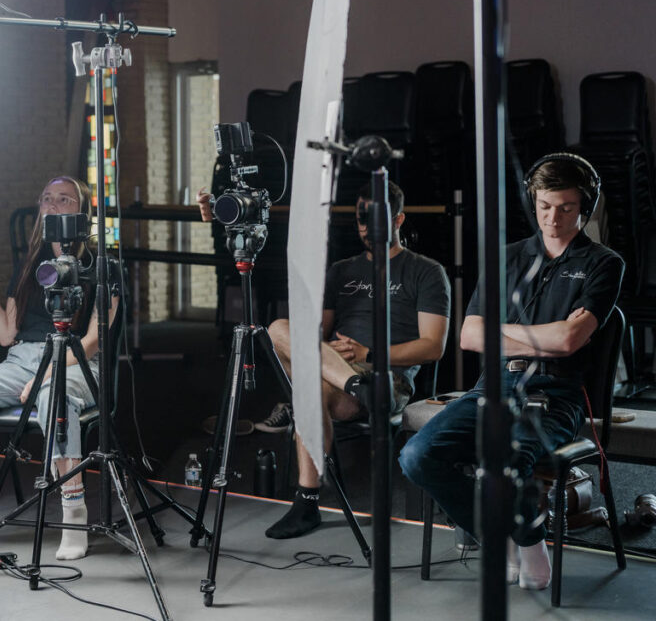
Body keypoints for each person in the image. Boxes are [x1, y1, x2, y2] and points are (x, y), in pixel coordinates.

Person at [399, 153, 624, 590]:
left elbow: (569, 342)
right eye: (544, 206)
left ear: (585, 207)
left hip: (556, 394)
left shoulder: (604, 262)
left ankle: (529, 546)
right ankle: (509, 537)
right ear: (532, 202)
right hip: (494, 385)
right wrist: (546, 333)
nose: (553, 218)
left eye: (566, 208)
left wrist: (505, 332)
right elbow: (469, 336)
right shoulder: (505, 259)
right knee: (416, 455)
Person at [199, 181, 451, 538]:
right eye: (361, 220)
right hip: (337, 371)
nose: (366, 227)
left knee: (306, 391)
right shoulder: (342, 270)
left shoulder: (426, 271)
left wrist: (369, 354)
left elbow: (432, 347)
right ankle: (352, 388)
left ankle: (306, 501)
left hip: (386, 376)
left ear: (398, 219)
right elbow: (314, 337)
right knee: (279, 329)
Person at [0, 175, 116, 561]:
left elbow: (94, 339)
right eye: (46, 198)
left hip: (76, 361)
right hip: (22, 358)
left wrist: (46, 375)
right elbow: (6, 335)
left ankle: (73, 511)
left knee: (52, 394)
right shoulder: (31, 264)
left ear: (83, 210)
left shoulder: (102, 263)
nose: (53, 204)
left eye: (64, 198)